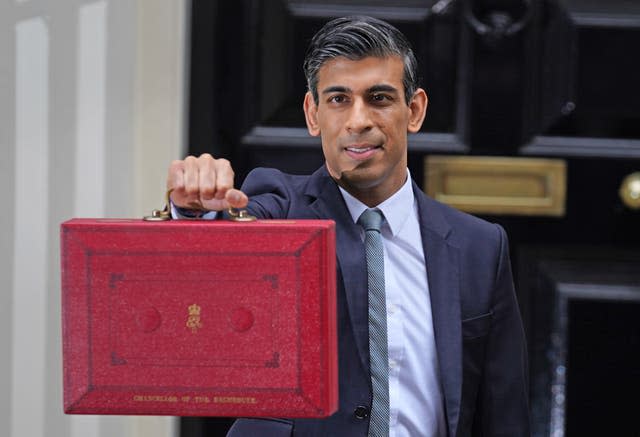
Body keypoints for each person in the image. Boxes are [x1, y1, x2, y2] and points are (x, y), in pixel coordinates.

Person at [167, 15, 530, 437]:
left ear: (414, 111)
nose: (358, 120)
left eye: (379, 98)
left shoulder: (479, 247)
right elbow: (219, 253)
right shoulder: (280, 208)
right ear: (312, 113)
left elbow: (504, 414)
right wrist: (196, 213)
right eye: (339, 99)